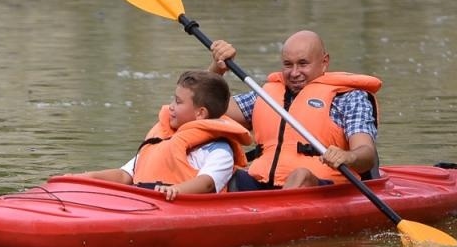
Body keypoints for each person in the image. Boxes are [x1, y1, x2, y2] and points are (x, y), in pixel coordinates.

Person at [208, 31, 381, 190]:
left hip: (323, 187)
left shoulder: (349, 98)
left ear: (324, 62)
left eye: (303, 64)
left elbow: (366, 153)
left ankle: (274, 218)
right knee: (225, 173)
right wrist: (218, 69)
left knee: (301, 175)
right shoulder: (267, 95)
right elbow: (206, 109)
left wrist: (347, 157)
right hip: (263, 183)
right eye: (288, 65)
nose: (294, 73)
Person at [79, 69, 251, 200]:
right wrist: (90, 177)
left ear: (200, 113)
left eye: (178, 102)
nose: (170, 106)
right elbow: (125, 175)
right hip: (144, 201)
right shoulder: (160, 140)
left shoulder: (218, 150)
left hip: (175, 204)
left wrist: (176, 190)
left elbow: (207, 183)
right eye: (172, 99)